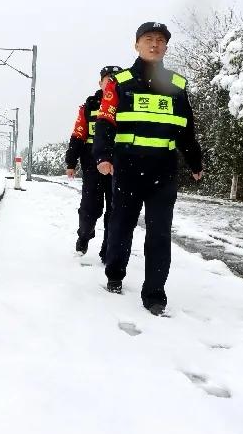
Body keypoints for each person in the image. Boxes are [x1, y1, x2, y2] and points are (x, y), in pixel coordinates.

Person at [93, 22, 204, 314]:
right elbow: (105, 122)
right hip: (127, 167)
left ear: (166, 47)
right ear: (137, 45)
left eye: (160, 40)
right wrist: (103, 156)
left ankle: (155, 294)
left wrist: (195, 161)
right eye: (148, 39)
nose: (154, 44)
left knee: (160, 233)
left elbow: (185, 128)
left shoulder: (177, 85)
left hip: (163, 170)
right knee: (121, 225)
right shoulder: (120, 82)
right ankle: (115, 274)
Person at [66, 64, 122, 258]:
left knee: (115, 212)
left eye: (116, 78)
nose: (112, 81)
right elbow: (78, 135)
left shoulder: (128, 102)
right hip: (92, 166)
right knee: (89, 209)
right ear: (101, 82)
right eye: (109, 78)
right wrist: (71, 162)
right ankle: (84, 235)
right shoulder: (89, 106)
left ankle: (108, 248)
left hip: (120, 166)